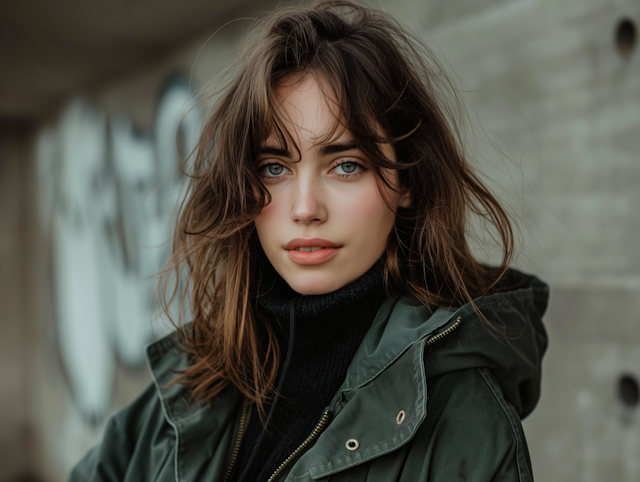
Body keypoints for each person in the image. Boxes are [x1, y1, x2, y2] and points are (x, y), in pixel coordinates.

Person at [69, 1, 549, 481]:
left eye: (346, 166)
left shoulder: (461, 418)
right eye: (274, 168)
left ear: (407, 182)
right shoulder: (193, 386)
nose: (305, 208)